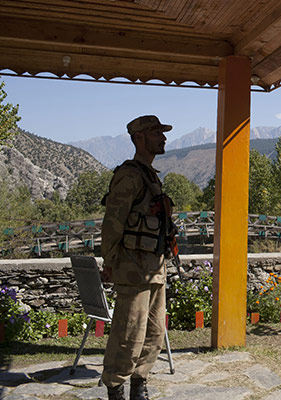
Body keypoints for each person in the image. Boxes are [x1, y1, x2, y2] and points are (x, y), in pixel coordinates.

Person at [100, 115, 172, 400]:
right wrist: (110, 260)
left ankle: (139, 384)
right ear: (139, 137)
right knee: (128, 334)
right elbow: (113, 221)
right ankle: (115, 387)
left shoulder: (150, 175)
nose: (163, 138)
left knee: (154, 333)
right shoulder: (130, 175)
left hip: (155, 267)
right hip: (133, 269)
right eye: (156, 133)